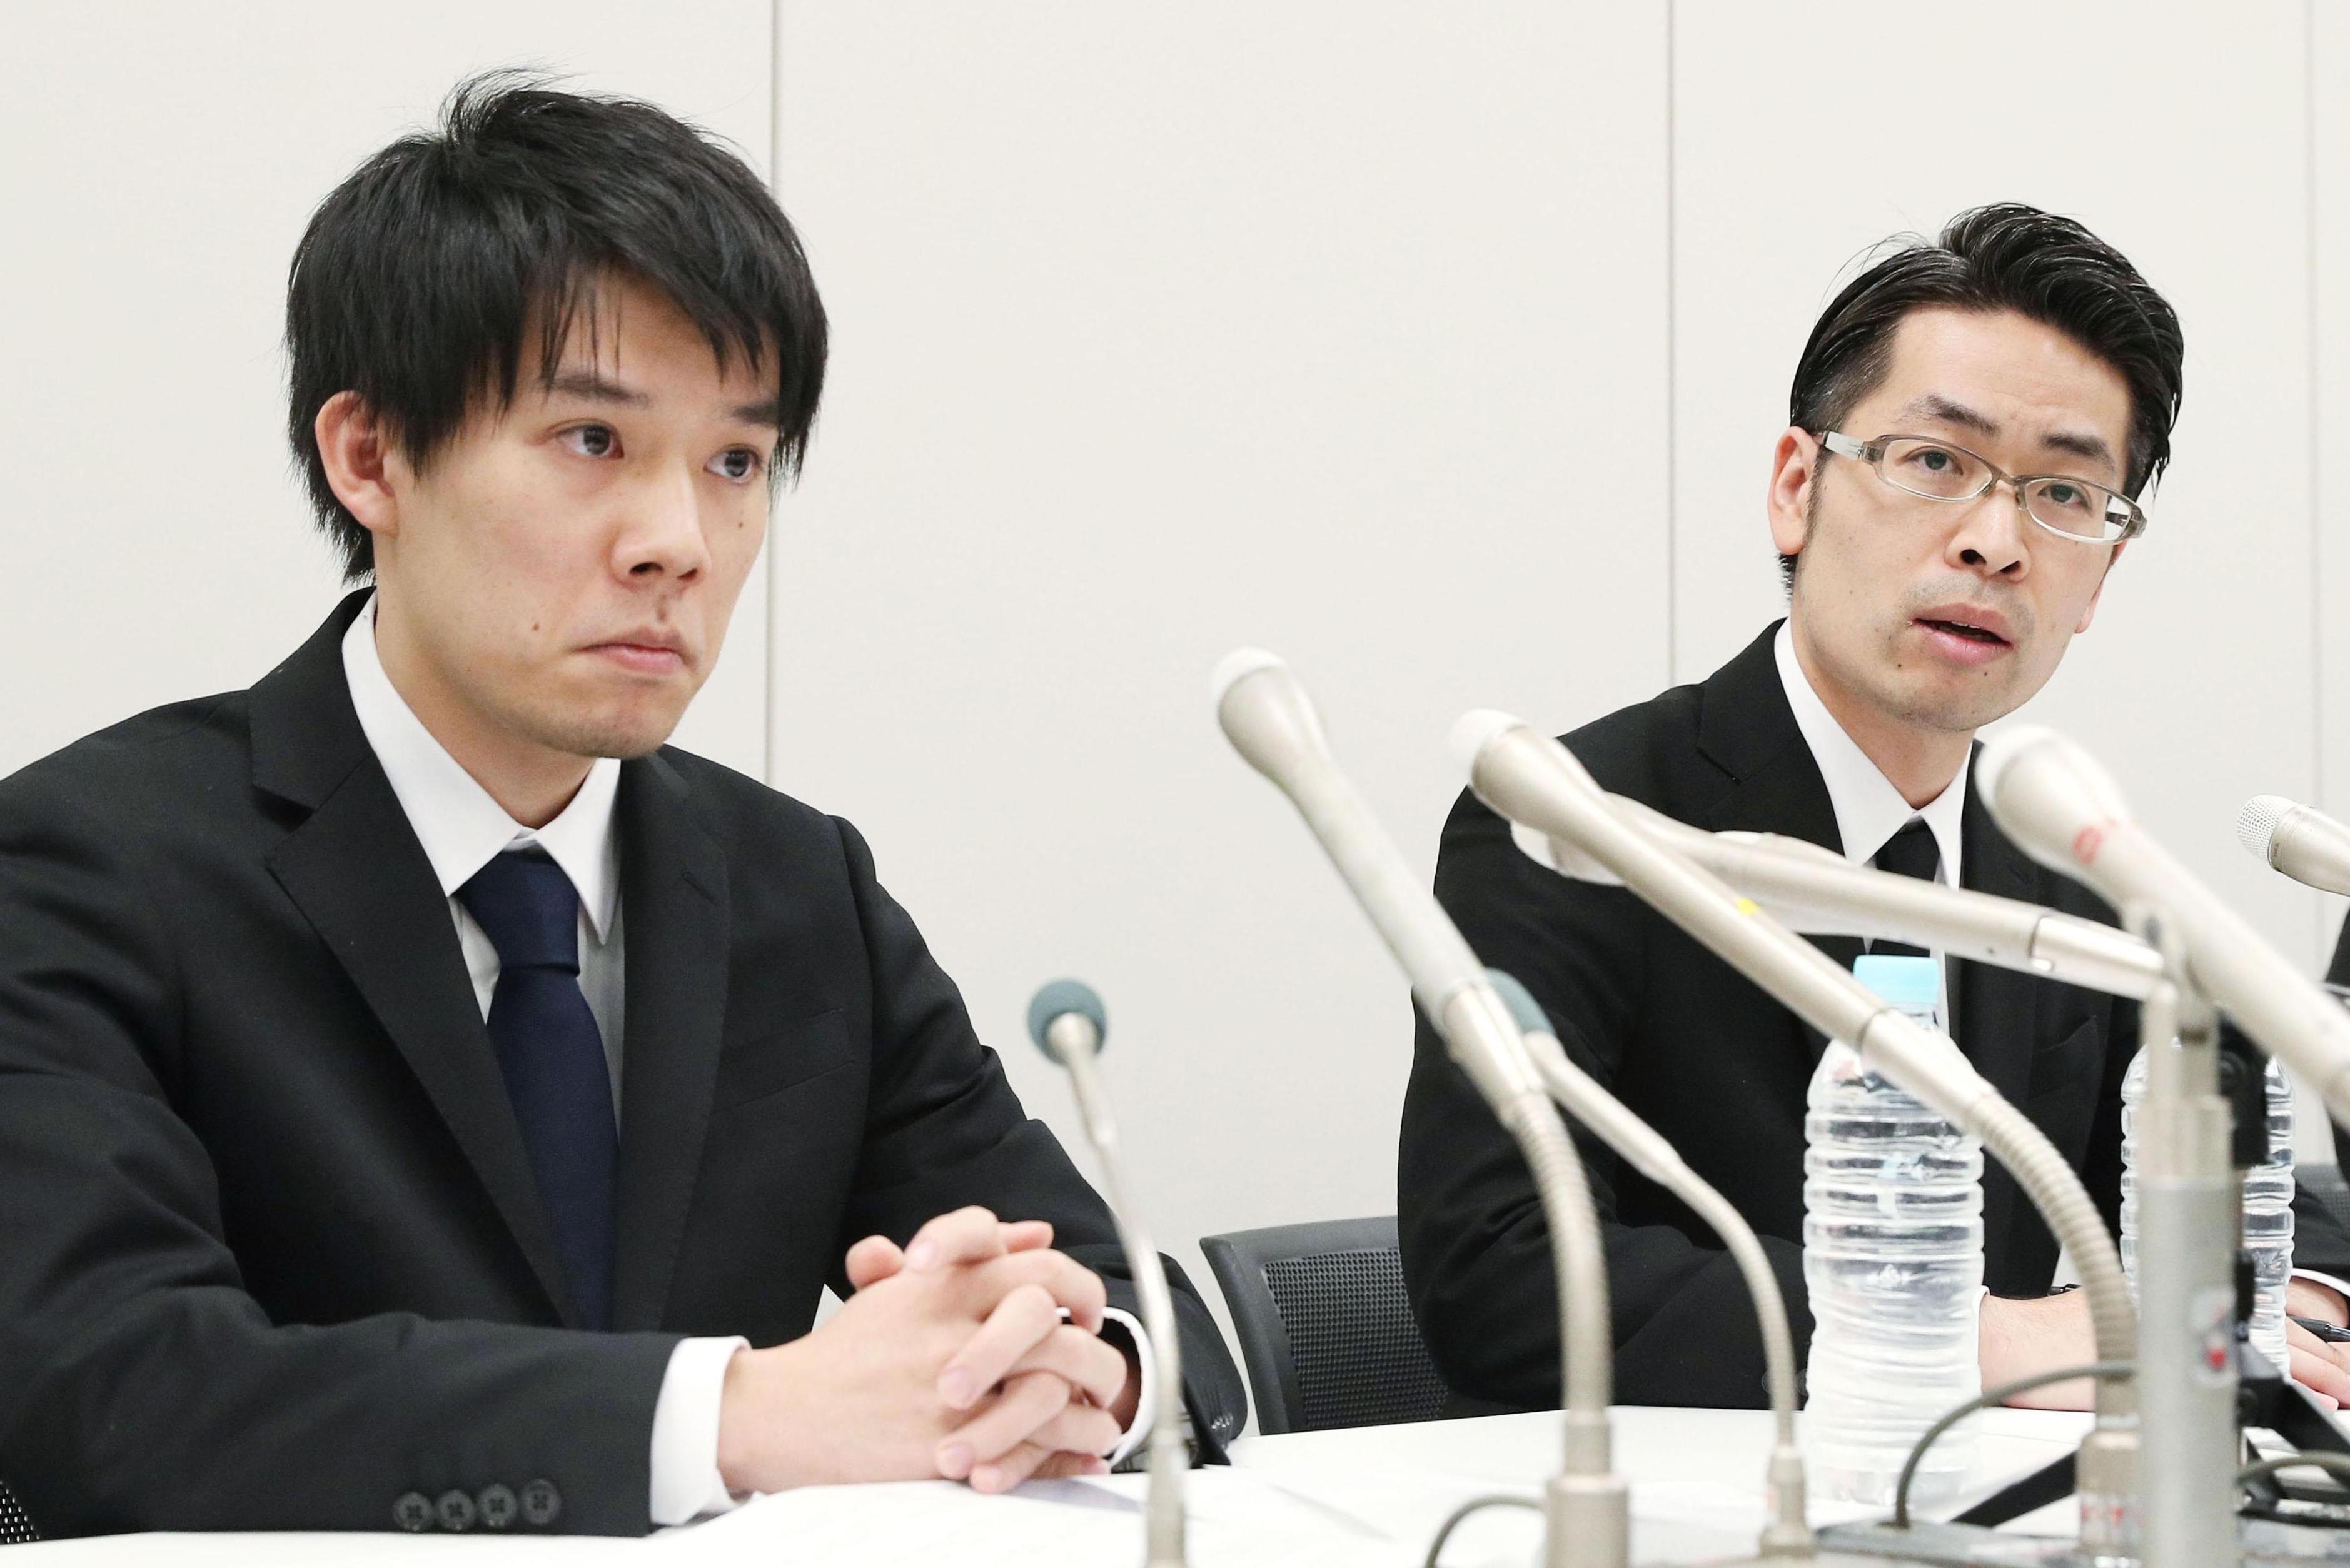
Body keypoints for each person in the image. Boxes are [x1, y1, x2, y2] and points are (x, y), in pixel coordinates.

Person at [0, 75, 1241, 1540]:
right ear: (371, 457)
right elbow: (113, 1396)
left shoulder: (796, 884)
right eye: (593, 441)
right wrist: (736, 1416)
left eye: (735, 463)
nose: (680, 542)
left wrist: (1078, 1370)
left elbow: (1140, 1317)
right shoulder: (86, 869)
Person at [1400, 203, 2350, 1415]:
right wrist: (1980, 1344)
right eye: (1935, 463)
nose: (1995, 544)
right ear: (1796, 488)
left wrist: (2288, 1299)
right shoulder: (1580, 824)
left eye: (2063, 494)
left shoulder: (2064, 865)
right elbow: (1501, 1278)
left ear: (2100, 576)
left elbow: (2237, 1180)